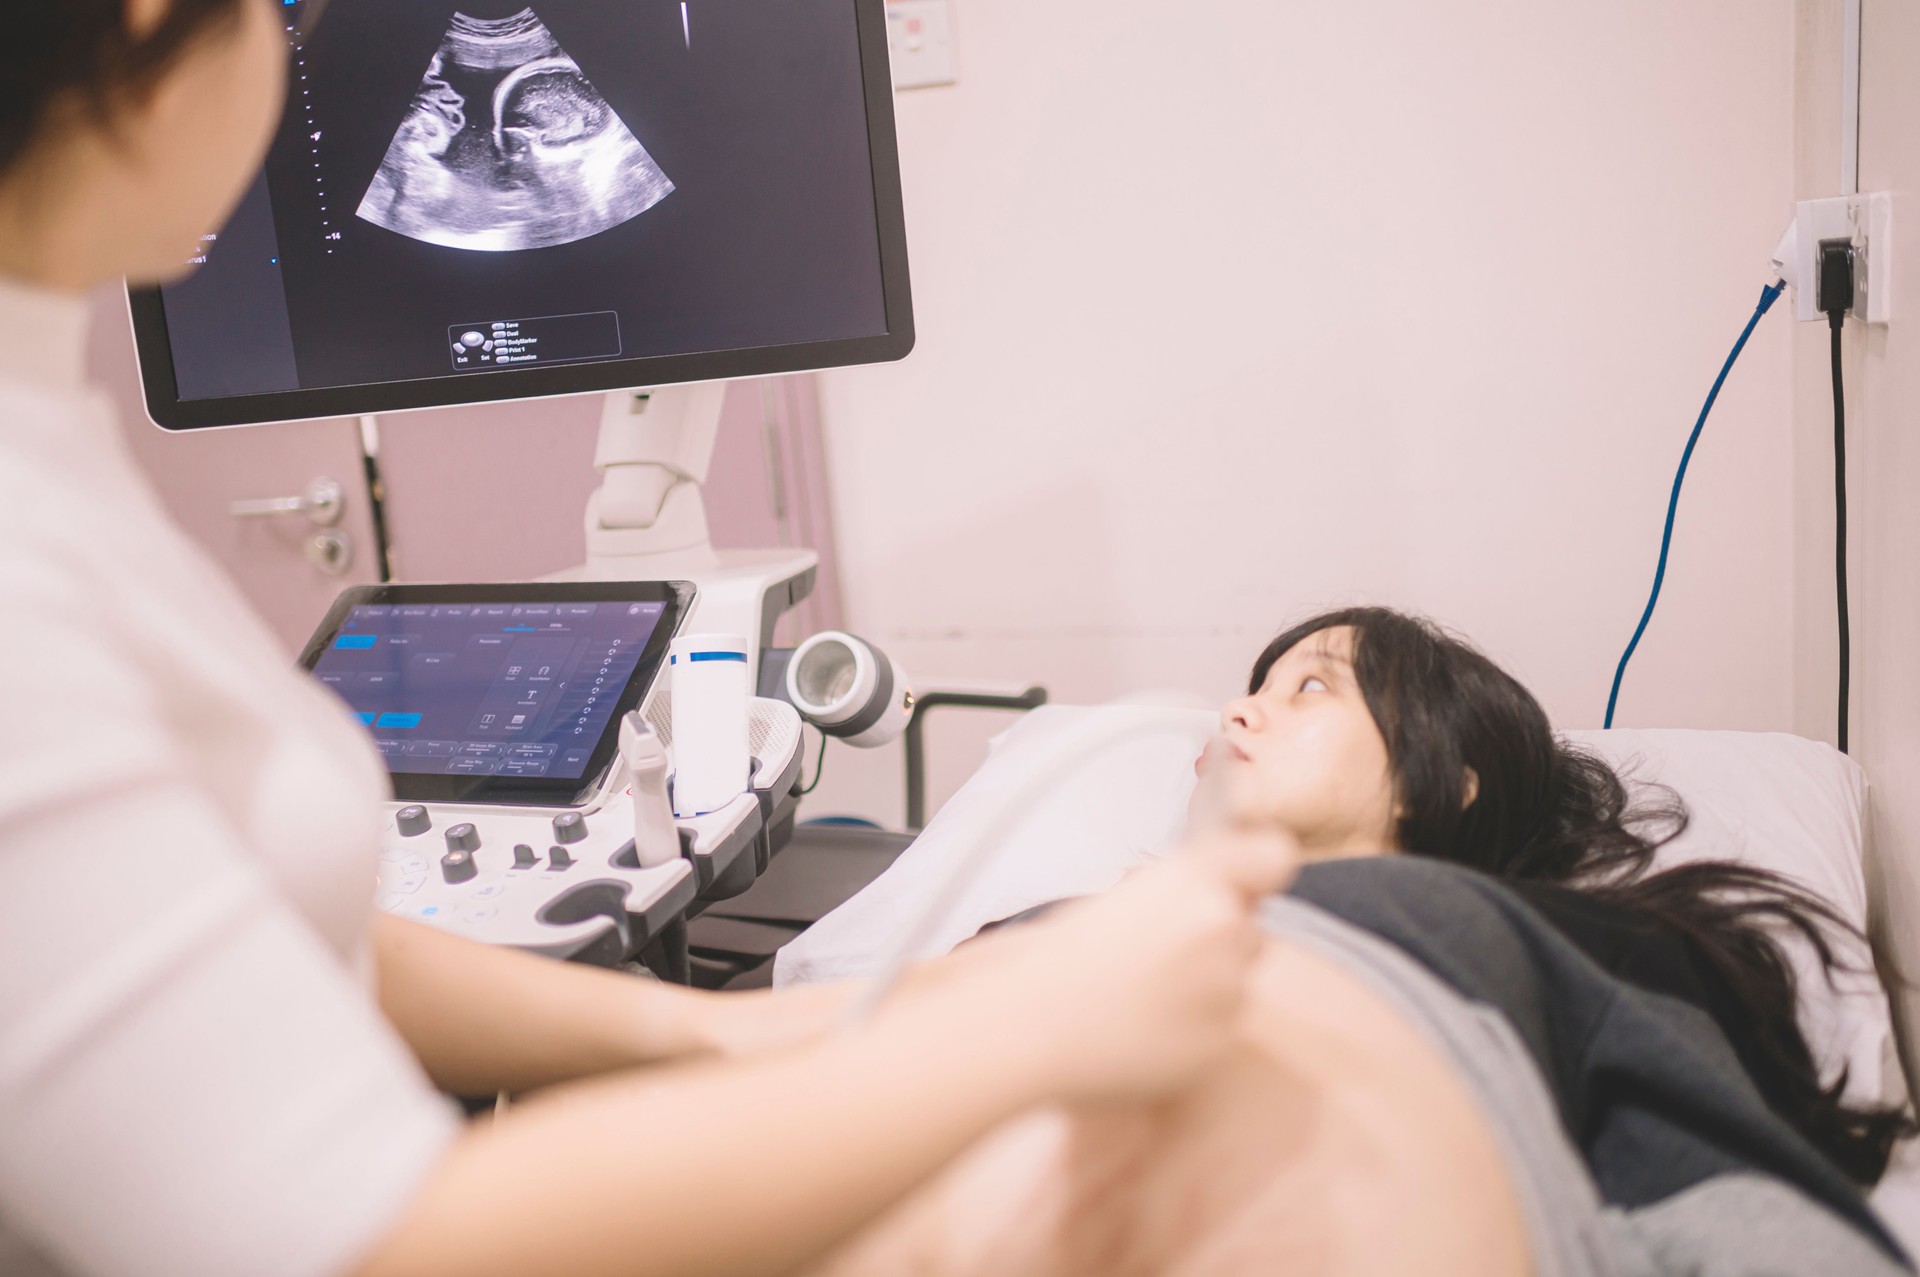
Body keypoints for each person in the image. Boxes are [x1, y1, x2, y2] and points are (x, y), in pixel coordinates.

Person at [0, 4, 1296, 1276]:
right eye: (287, 18)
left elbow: (272, 928)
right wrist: (1027, 1033)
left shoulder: (43, 424)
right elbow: (367, 1238)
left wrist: (714, 1040)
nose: (301, 56)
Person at [799, 608, 1919, 1277]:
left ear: (1450, 773)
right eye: (1248, 691)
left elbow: (1744, 1219)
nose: (1234, 713)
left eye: (1308, 687)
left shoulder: (1531, 943)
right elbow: (818, 1060)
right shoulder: (1075, 928)